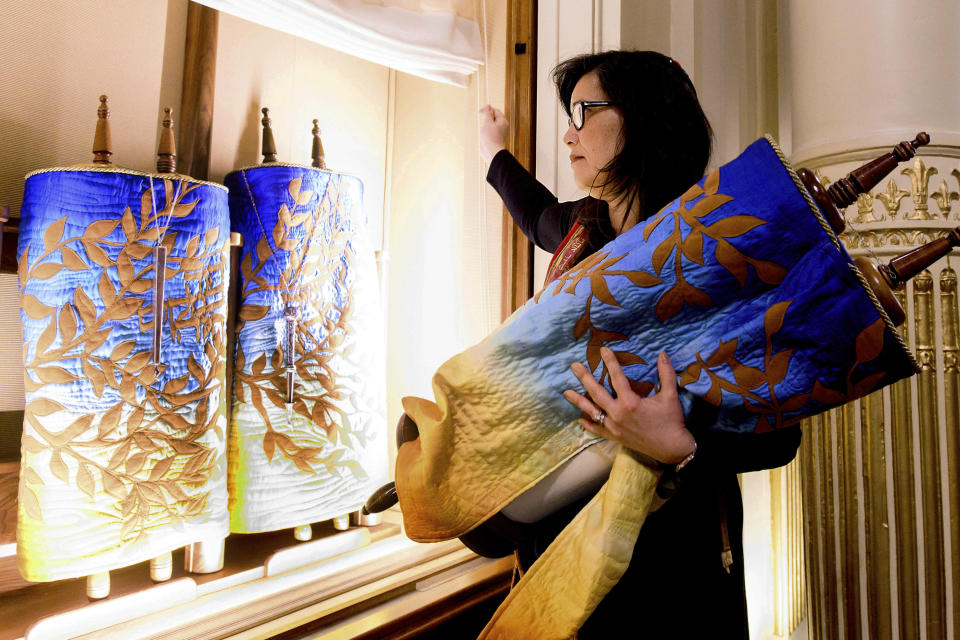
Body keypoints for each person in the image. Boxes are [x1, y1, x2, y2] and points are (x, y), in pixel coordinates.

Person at [479, 50, 802, 638]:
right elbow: (534, 212)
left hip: (667, 561)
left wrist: (679, 446)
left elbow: (781, 433)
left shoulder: (715, 248)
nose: (569, 132)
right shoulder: (584, 228)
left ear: (646, 118)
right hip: (559, 541)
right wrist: (493, 151)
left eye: (584, 110)